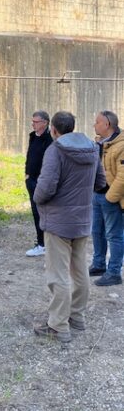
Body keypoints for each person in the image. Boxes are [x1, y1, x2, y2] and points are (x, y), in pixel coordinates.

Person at [32, 111, 106, 342]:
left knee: (58, 273)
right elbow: (101, 182)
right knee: (80, 269)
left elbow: (46, 187)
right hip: (82, 219)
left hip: (58, 221)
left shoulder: (55, 150)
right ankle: (77, 317)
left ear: (54, 129)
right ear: (73, 127)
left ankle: (58, 326)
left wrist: (37, 198)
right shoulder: (93, 149)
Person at [89, 110, 124, 286]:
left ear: (107, 125)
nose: (94, 125)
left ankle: (114, 272)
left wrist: (110, 197)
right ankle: (99, 265)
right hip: (97, 195)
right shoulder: (100, 143)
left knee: (114, 235)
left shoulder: (121, 145)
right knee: (96, 232)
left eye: (97, 122)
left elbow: (123, 176)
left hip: (111, 198)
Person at [24, 111, 53, 257]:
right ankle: (41, 242)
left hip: (43, 181)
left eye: (36, 122)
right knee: (36, 212)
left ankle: (45, 243)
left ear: (45, 122)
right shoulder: (32, 136)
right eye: (32, 121)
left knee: (45, 212)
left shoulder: (50, 139)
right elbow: (30, 156)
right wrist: (27, 175)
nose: (33, 124)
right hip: (31, 180)